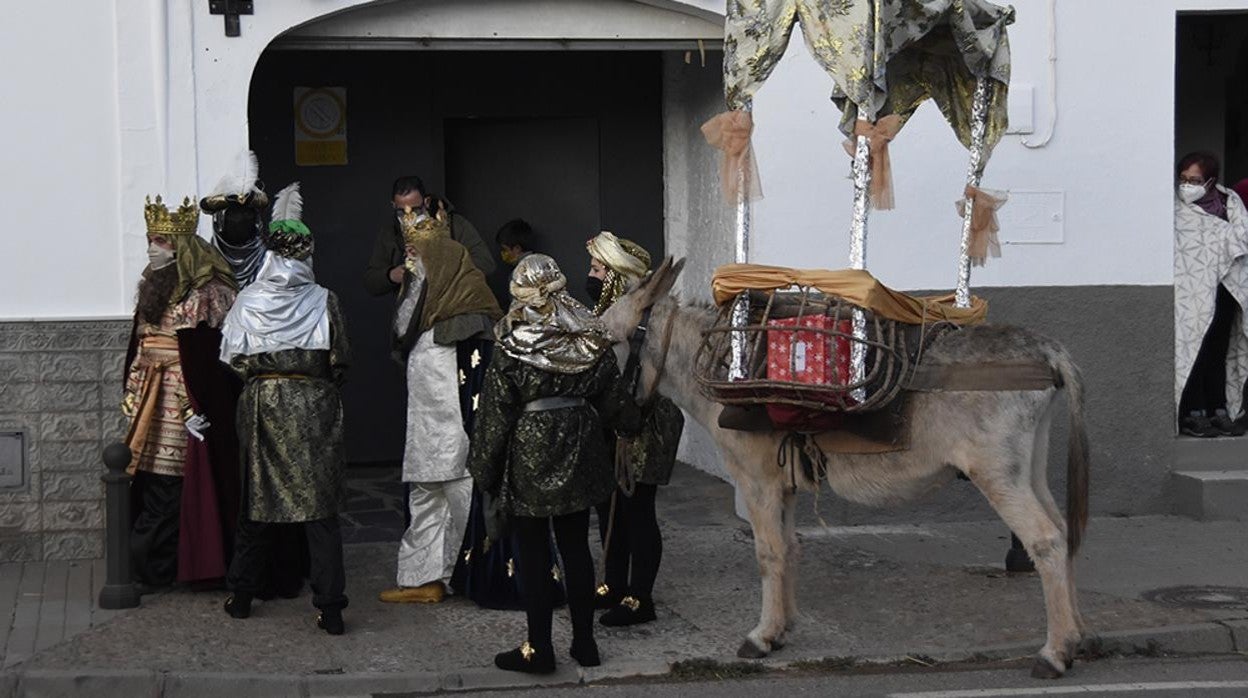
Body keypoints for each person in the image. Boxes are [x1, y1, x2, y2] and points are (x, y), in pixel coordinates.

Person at [469, 254, 640, 674]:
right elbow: (614, 399)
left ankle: (538, 649)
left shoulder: (512, 346)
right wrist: (632, 425)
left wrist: (484, 471)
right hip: (580, 446)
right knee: (577, 547)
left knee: (531, 553)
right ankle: (585, 644)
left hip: (530, 453)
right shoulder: (588, 336)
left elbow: (494, 417)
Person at [217, 183, 351, 635]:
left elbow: (234, 359)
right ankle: (330, 607)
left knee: (257, 502)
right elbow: (341, 359)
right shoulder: (324, 299)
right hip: (314, 405)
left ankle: (240, 596)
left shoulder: (248, 300)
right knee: (320, 509)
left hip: (262, 406)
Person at [379, 203, 503, 604]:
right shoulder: (427, 317)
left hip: (459, 442)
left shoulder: (471, 321)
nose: (415, 264)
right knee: (424, 503)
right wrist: (412, 283)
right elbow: (400, 329)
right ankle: (423, 579)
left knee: (466, 510)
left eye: (422, 258)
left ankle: (477, 575)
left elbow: (482, 384)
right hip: (425, 442)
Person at [122, 195, 240, 589]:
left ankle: (155, 564)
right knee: (153, 481)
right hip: (151, 398)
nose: (152, 248)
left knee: (174, 484)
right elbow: (140, 344)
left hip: (183, 399)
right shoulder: (154, 284)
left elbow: (209, 358)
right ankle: (155, 565)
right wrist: (134, 390)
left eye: (161, 241)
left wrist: (195, 402)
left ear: (181, 247)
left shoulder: (206, 292)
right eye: (150, 239)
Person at [585, 231, 682, 626]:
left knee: (638, 509)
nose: (589, 275)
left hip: (644, 423)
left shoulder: (644, 321)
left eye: (596, 269)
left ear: (615, 276)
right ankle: (612, 584)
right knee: (610, 507)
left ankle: (640, 597)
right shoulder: (604, 318)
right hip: (614, 423)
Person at [1174, 152, 1248, 437]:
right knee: (1195, 347)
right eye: (1183, 179)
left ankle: (1219, 408)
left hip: (1226, 288)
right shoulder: (1178, 211)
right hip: (1192, 292)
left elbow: (1241, 239)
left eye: (1194, 180)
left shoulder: (1230, 205)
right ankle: (1194, 411)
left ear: (1210, 182)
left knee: (1218, 348)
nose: (1187, 186)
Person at [364, 176, 495, 298]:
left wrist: (442, 270)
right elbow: (371, 282)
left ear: (426, 202)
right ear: (393, 205)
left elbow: (486, 263)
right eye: (401, 211)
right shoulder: (389, 234)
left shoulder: (455, 225)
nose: (409, 217)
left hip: (454, 306)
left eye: (415, 210)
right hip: (413, 311)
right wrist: (391, 275)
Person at [200, 150, 269, 288]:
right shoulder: (204, 261)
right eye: (234, 215)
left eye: (246, 215)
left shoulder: (270, 261)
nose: (240, 221)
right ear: (220, 221)